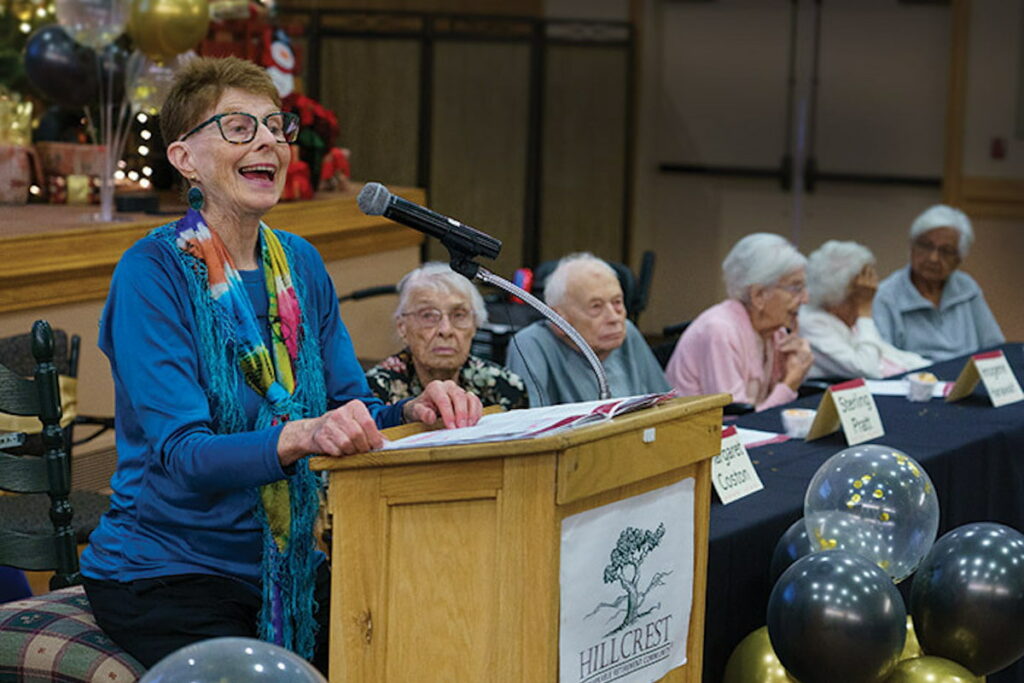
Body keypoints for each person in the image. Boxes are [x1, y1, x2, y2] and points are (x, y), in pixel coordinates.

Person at [78, 57, 482, 673]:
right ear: (185, 158)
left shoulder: (300, 263)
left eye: (276, 125)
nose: (269, 140)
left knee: (420, 644)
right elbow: (185, 455)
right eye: (239, 126)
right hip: (167, 572)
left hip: (292, 561)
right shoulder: (151, 274)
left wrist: (413, 410)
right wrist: (300, 435)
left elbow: (351, 408)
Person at [665, 233, 813, 411]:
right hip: (693, 435)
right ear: (758, 295)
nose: (805, 299)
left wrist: (791, 367)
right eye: (795, 288)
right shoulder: (720, 330)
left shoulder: (775, 331)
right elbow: (736, 423)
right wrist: (790, 384)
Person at [505, 253, 670, 406]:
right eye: (596, 307)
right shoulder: (531, 344)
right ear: (558, 319)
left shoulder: (628, 332)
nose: (614, 318)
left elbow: (667, 405)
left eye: (617, 302)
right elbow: (530, 426)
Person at [366, 262, 528, 410]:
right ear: (402, 327)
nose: (446, 330)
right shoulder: (375, 392)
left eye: (458, 315)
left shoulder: (505, 387)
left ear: (475, 325)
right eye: (428, 315)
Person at [874, 204, 1004, 361]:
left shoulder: (967, 288)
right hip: (916, 381)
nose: (933, 258)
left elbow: (994, 348)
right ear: (911, 246)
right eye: (926, 246)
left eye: (946, 251)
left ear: (959, 259)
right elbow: (885, 361)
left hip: (969, 380)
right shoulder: (886, 295)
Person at [799, 240, 928, 380]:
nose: (872, 291)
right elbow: (868, 370)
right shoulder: (811, 324)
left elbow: (891, 355)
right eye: (863, 290)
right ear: (841, 293)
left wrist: (932, 368)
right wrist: (865, 311)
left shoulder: (849, 321)